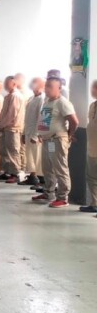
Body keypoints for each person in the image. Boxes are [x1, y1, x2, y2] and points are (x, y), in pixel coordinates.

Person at [33, 77, 79, 208]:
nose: (46, 89)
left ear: (59, 88)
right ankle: (49, 193)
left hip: (57, 140)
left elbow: (74, 121)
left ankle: (63, 198)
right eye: (46, 86)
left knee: (60, 168)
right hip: (47, 140)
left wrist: (69, 134)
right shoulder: (47, 101)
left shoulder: (63, 103)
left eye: (50, 86)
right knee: (47, 169)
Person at [0, 76, 26, 183]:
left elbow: (12, 114)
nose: (5, 85)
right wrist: (0, 124)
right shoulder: (8, 96)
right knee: (3, 150)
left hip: (13, 128)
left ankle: (15, 173)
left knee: (13, 151)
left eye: (7, 83)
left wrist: (2, 124)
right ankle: (6, 171)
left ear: (14, 84)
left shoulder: (16, 96)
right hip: (5, 127)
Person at [20, 78, 45, 188]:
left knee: (37, 157)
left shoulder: (42, 99)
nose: (31, 84)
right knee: (29, 157)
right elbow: (27, 118)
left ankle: (41, 180)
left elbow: (41, 118)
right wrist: (24, 133)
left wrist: (35, 135)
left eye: (34, 82)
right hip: (28, 131)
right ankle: (32, 176)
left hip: (36, 134)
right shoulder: (31, 98)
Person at [82, 80, 97, 214]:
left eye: (94, 88)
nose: (92, 91)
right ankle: (94, 203)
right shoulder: (92, 105)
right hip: (92, 148)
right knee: (91, 177)